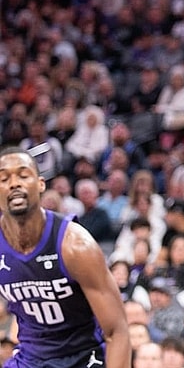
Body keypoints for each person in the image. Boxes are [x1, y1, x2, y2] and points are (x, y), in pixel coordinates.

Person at [0, 147, 131, 366]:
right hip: (30, 358)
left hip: (83, 357)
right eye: (4, 178)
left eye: (23, 175)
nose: (14, 183)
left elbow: (117, 331)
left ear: (41, 184)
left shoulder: (76, 245)